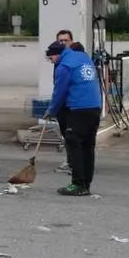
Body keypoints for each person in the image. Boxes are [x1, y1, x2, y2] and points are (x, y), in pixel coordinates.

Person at [43, 40, 102, 196]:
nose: (51, 61)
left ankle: (77, 184)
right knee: (88, 146)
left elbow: (60, 92)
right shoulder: (83, 57)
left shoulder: (64, 66)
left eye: (51, 58)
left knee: (73, 143)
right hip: (95, 107)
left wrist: (51, 110)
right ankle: (86, 184)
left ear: (57, 55)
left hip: (79, 108)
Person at [52, 29, 74, 174]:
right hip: (63, 105)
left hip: (73, 104)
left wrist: (52, 108)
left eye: (66, 40)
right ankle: (70, 160)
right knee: (65, 133)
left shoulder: (73, 59)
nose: (64, 43)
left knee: (73, 135)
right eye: (61, 41)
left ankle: (74, 163)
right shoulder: (58, 60)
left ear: (71, 42)